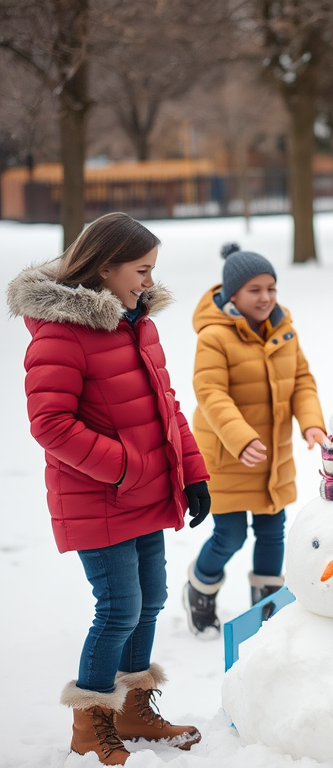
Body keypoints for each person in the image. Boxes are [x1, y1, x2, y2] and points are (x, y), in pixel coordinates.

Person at [7, 212, 210, 765]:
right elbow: (49, 423)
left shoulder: (137, 323)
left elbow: (167, 409)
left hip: (144, 493)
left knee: (150, 603)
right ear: (105, 267)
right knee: (120, 607)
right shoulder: (61, 333)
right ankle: (89, 723)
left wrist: (192, 473)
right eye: (141, 270)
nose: (148, 282)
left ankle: (132, 709)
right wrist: (125, 467)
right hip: (98, 497)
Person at [184, 243, 326, 637]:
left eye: (272, 288)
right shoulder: (214, 337)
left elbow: (301, 381)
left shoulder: (284, 331)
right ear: (232, 294)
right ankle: (200, 588)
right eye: (255, 290)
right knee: (229, 535)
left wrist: (311, 423)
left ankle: (266, 610)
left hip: (272, 457)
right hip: (228, 457)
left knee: (272, 532)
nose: (266, 298)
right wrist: (240, 437)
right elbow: (211, 393)